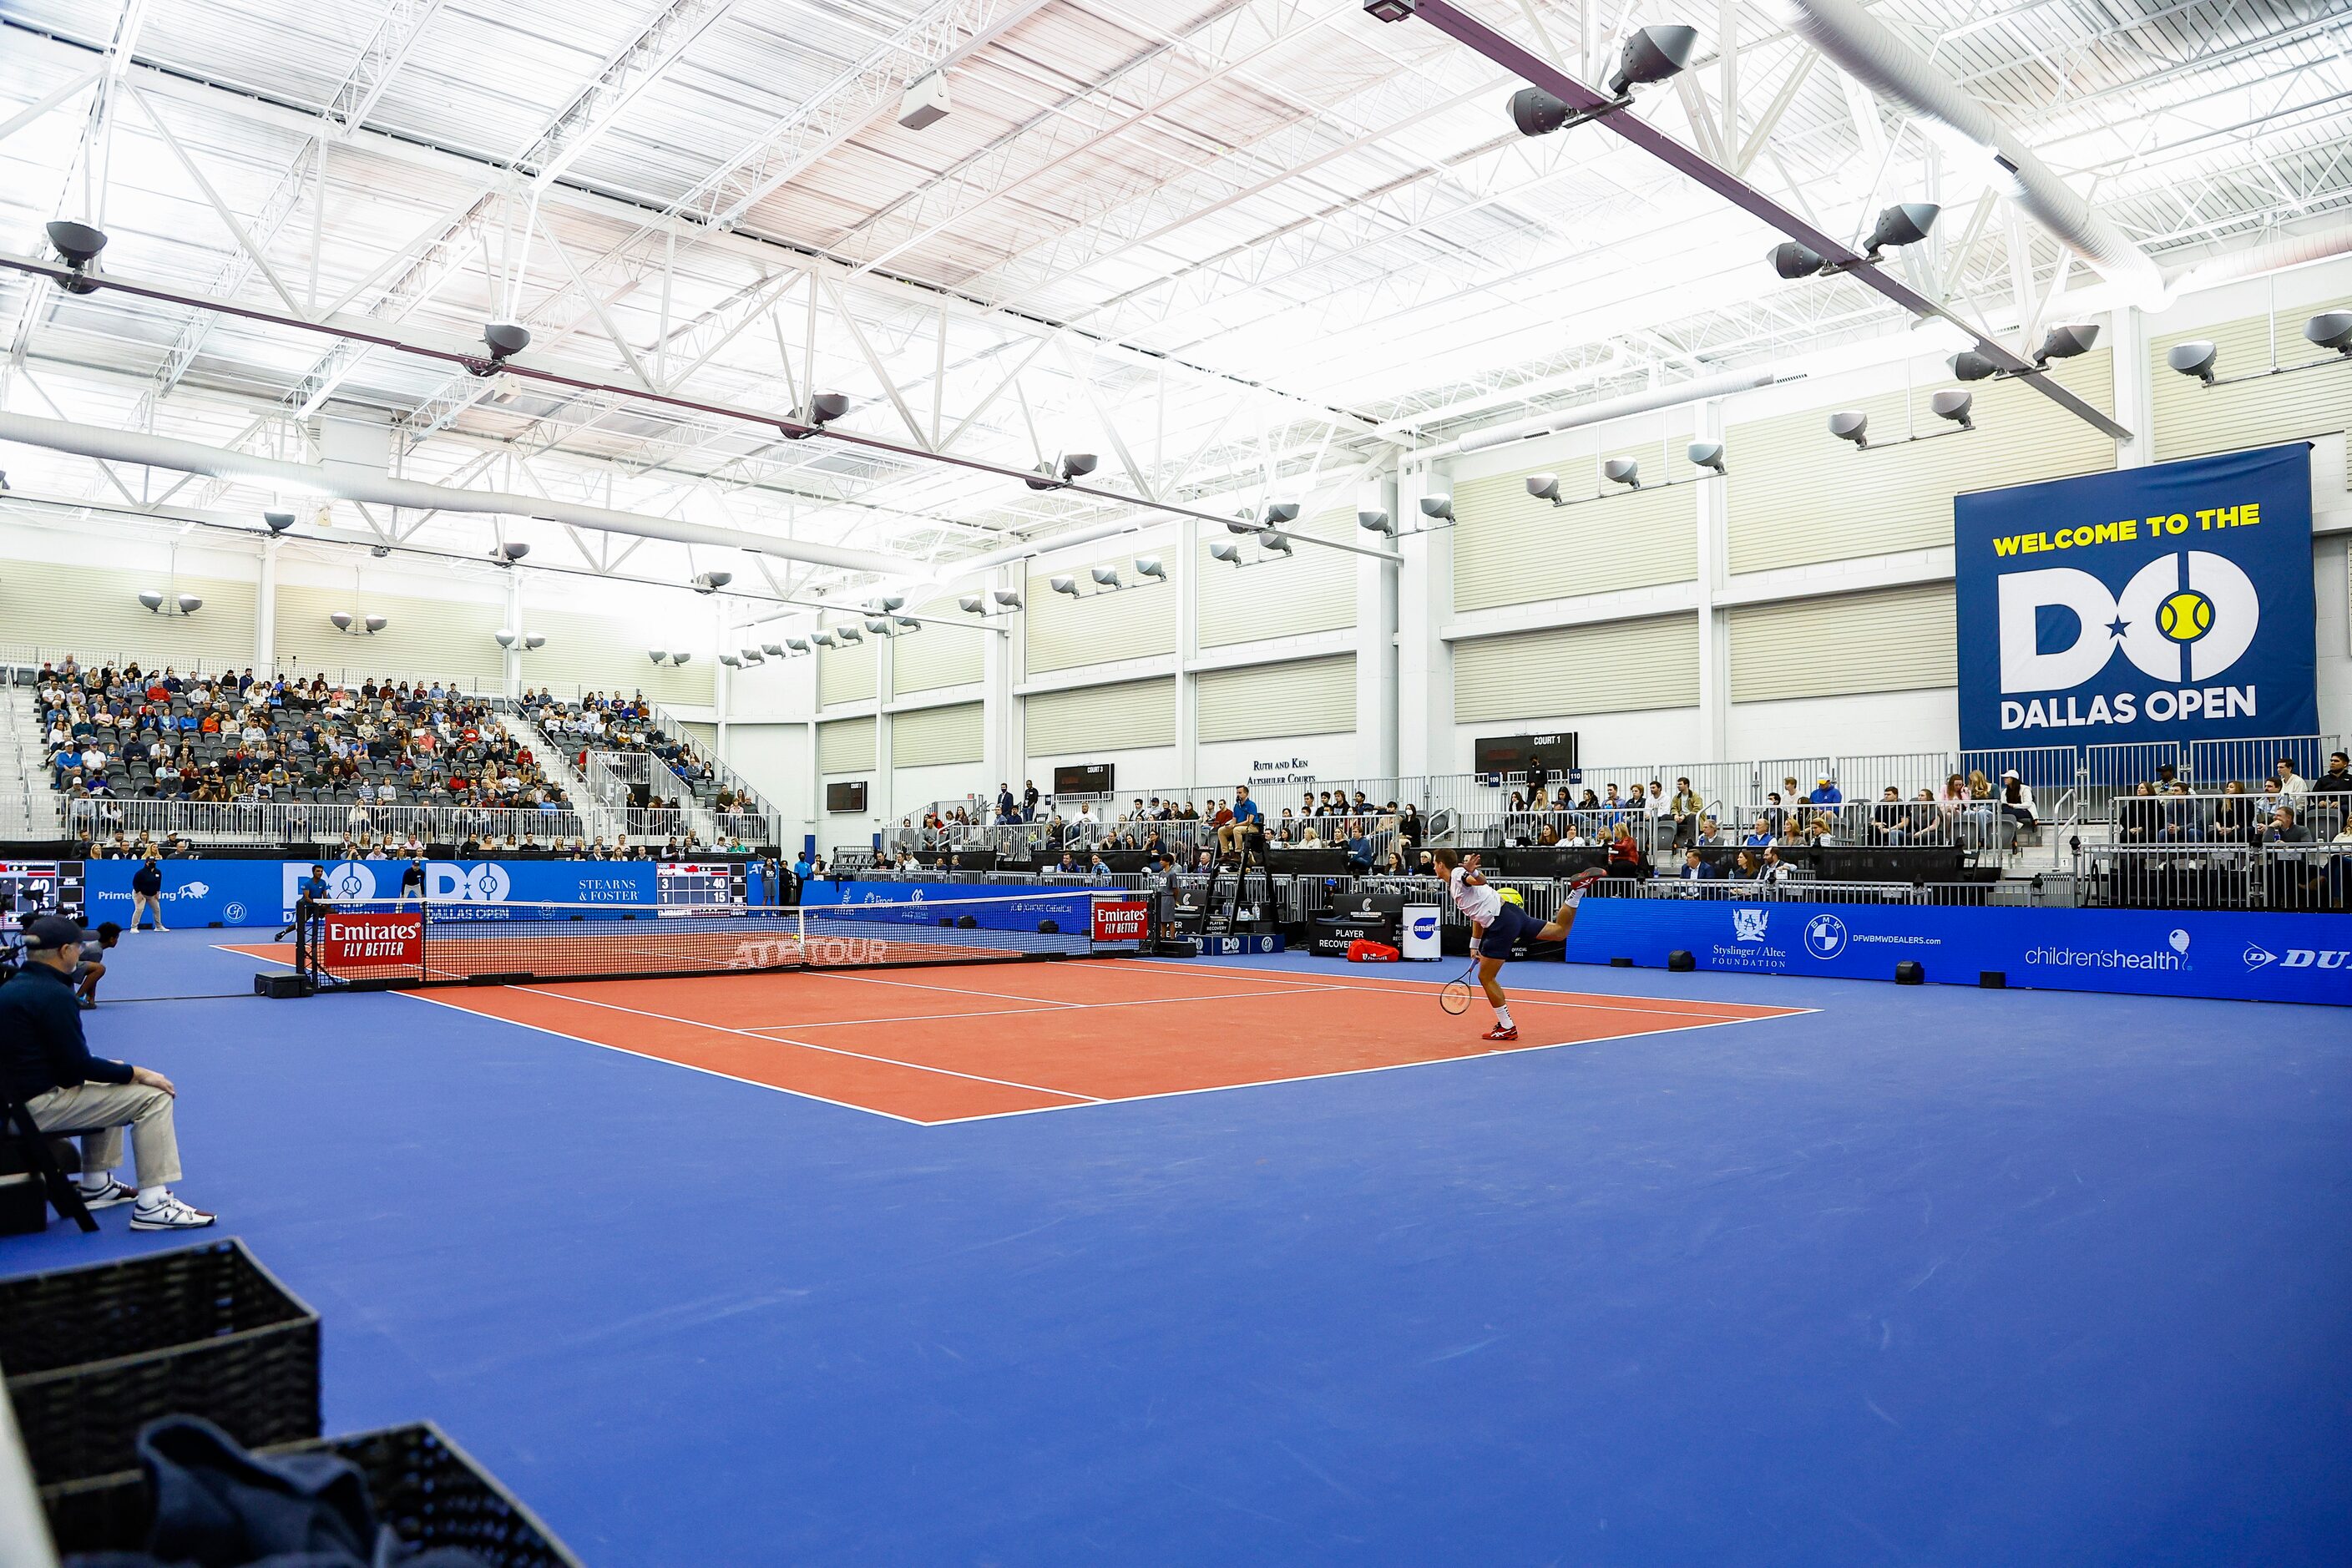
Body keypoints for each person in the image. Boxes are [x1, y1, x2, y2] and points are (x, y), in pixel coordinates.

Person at [2, 914, 215, 1229]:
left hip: (14, 1099)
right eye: (77, 946)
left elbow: (65, 1067)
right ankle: (153, 1205)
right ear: (65, 951)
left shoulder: (15, 986)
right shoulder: (54, 995)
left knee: (113, 1069)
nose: (81, 951)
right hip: (27, 1112)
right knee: (152, 1096)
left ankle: (96, 1185)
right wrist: (140, 1073)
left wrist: (120, 1072)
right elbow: (77, 1067)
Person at [1430, 847, 1604, 1043]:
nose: (1434, 867)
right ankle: (1577, 890)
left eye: (1434, 864)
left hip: (1501, 924)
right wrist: (1475, 943)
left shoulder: (1457, 874)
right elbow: (1476, 915)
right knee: (1560, 932)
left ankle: (1507, 1027)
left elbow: (1480, 881)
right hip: (1512, 914)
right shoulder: (1454, 884)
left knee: (1486, 976)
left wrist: (1473, 871)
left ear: (1441, 864)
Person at [74, 922, 121, 1009]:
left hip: (69, 965)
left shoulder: (94, 946)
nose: (117, 941)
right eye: (117, 938)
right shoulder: (96, 951)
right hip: (66, 968)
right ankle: (77, 997)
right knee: (100, 969)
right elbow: (94, 976)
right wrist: (92, 999)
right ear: (111, 939)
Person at [129, 855, 167, 932]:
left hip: (152, 894)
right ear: (146, 863)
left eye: (154, 862)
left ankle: (158, 926)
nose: (153, 863)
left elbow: (158, 883)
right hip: (140, 894)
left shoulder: (158, 872)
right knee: (139, 909)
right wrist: (139, 893)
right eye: (151, 862)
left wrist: (157, 892)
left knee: (157, 909)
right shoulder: (141, 873)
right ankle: (133, 927)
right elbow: (135, 883)